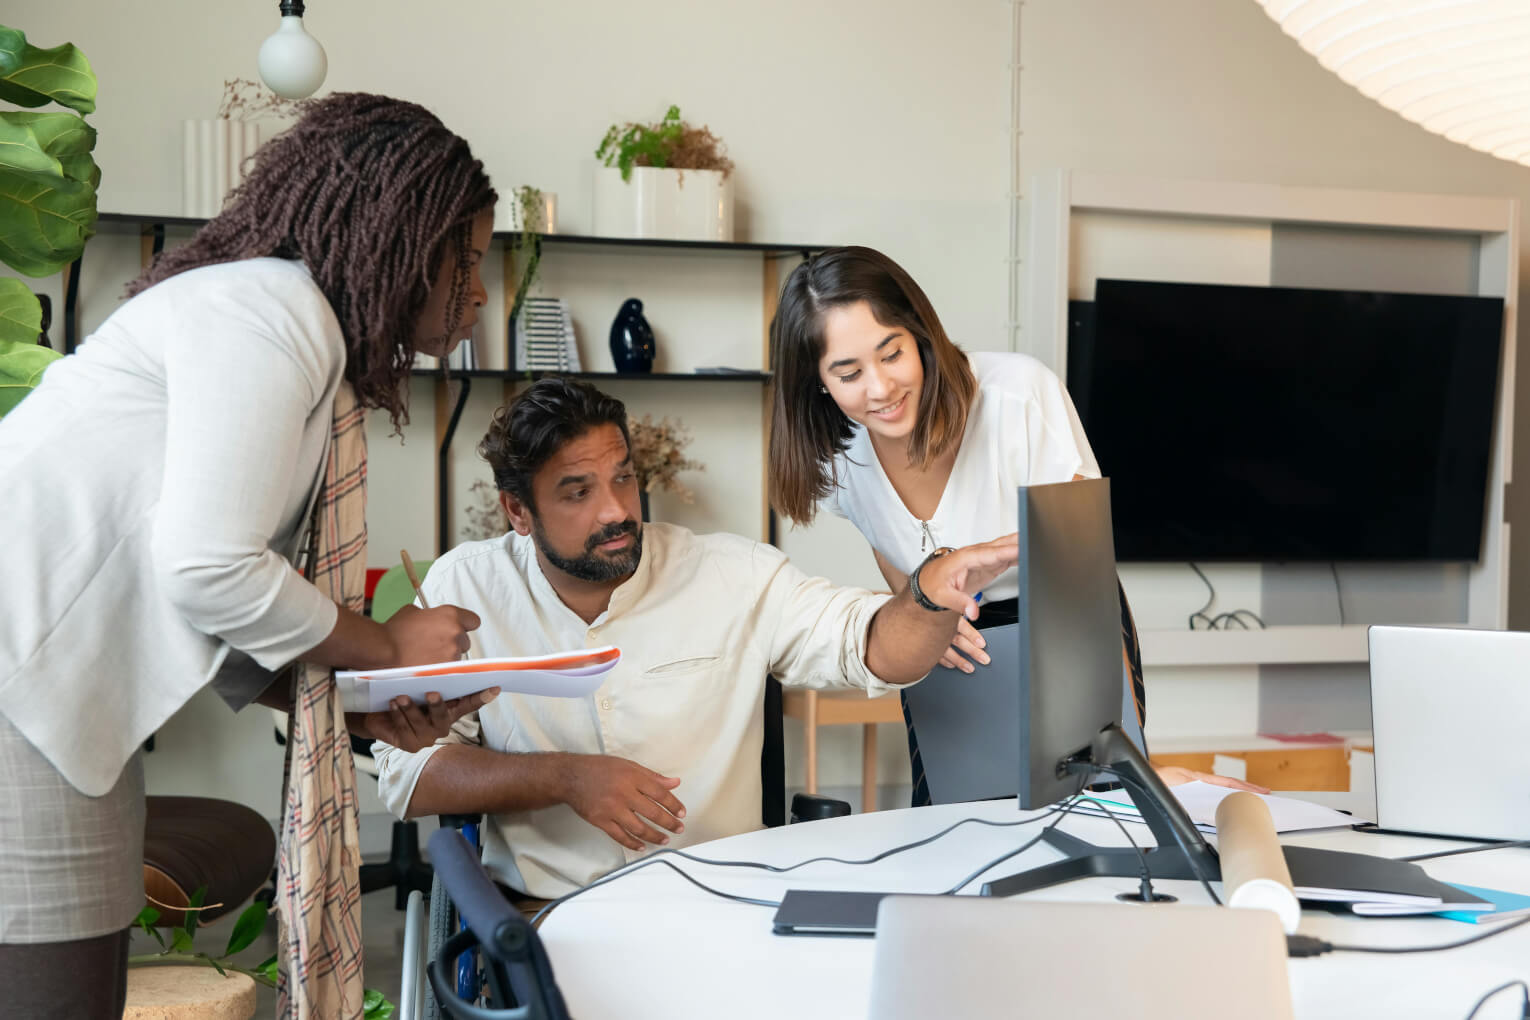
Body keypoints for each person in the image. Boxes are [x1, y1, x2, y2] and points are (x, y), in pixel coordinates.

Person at [0, 94, 496, 1018]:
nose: (477, 293)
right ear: (394, 234)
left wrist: (358, 710)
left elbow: (200, 598)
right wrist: (383, 648)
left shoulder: (269, 317)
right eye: (465, 258)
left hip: (48, 707)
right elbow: (208, 568)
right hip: (18, 702)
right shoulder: (273, 311)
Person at [371, 377, 1018, 903]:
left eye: (623, 477)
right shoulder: (467, 588)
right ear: (517, 511)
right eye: (577, 492)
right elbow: (412, 776)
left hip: (722, 905)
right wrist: (566, 778)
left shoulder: (731, 573)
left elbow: (872, 644)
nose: (616, 511)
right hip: (550, 917)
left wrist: (930, 593)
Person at [766, 245, 1262, 801]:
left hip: (1062, 615)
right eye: (849, 372)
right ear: (818, 382)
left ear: (919, 333)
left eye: (892, 354)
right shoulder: (837, 453)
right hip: (948, 637)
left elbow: (1081, 565)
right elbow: (888, 542)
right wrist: (922, 612)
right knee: (951, 817)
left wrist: (1129, 754)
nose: (880, 388)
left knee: (1094, 803)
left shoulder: (1017, 394)